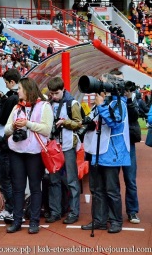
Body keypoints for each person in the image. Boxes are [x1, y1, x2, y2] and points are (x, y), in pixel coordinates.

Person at [81, 73, 131, 234]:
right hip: (97, 152)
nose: (99, 86)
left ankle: (116, 220)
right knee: (96, 189)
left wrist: (101, 106)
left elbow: (115, 122)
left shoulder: (119, 103)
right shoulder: (101, 102)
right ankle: (99, 220)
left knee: (111, 190)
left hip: (112, 153)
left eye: (102, 83)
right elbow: (91, 120)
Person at [4, 77, 53, 234]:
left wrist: (28, 124)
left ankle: (34, 221)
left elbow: (47, 130)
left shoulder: (44, 106)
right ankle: (17, 220)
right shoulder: (17, 107)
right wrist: (13, 126)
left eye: (20, 88)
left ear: (27, 90)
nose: (17, 91)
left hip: (34, 152)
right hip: (16, 151)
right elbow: (5, 130)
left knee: (34, 187)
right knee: (18, 188)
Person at [46, 77, 82, 224]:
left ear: (63, 90)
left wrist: (64, 122)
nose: (54, 96)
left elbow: (79, 123)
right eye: (52, 93)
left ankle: (74, 212)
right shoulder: (48, 104)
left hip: (68, 146)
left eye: (56, 93)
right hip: (54, 146)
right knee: (53, 180)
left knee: (72, 180)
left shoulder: (72, 103)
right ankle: (56, 211)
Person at [110, 70, 141, 224]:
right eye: (116, 81)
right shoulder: (109, 98)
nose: (119, 85)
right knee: (112, 181)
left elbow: (135, 116)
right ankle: (114, 213)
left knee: (130, 180)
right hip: (114, 144)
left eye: (121, 81)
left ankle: (132, 211)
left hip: (128, 144)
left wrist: (128, 99)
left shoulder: (130, 96)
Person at [0, 69, 21, 223]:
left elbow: (2, 119)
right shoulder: (18, 97)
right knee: (14, 177)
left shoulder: (12, 99)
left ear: (11, 82)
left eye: (6, 83)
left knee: (5, 178)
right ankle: (15, 208)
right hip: (16, 143)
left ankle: (10, 209)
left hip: (7, 142)